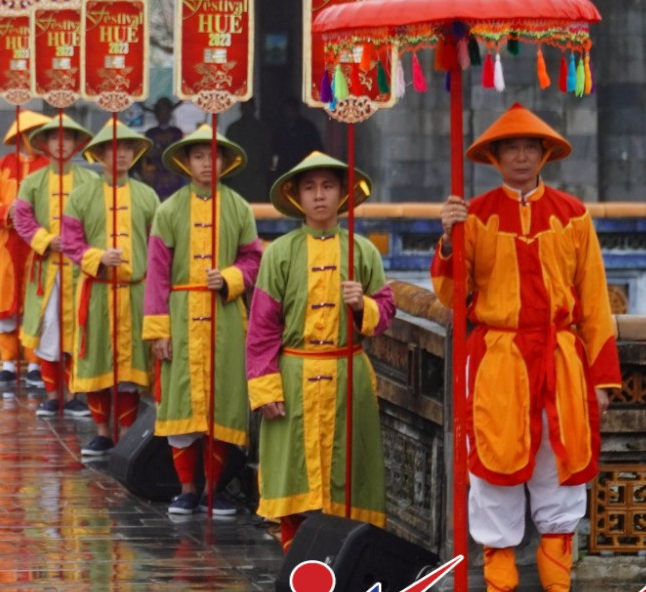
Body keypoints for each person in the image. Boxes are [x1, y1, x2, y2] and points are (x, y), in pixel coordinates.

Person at [433, 104, 618, 592]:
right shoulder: (477, 215)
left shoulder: (573, 215)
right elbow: (453, 296)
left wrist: (602, 380)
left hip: (560, 360)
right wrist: (450, 240)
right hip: (498, 360)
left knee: (558, 473)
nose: (520, 156)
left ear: (544, 155)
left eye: (529, 148)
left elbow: (595, 302)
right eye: (510, 147)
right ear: (494, 156)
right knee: (493, 474)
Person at [246, 152, 395, 547]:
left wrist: (364, 304)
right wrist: (265, 388)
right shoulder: (279, 252)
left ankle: (342, 559)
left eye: (328, 186)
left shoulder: (362, 251)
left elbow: (387, 312)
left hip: (348, 377)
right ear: (296, 196)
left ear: (343, 193)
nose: (319, 196)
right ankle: (296, 562)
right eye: (310, 188)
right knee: (294, 474)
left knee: (349, 473)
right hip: (295, 376)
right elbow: (261, 328)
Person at [144, 125, 264, 519]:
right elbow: (157, 275)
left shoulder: (239, 207)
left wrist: (230, 277)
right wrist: (159, 331)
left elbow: (253, 259)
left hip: (225, 318)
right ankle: (187, 487)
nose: (206, 164)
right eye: (198, 156)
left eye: (213, 156)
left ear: (225, 162)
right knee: (180, 402)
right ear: (186, 162)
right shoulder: (169, 210)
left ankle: (216, 488)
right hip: (180, 313)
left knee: (223, 402)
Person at [59, 121, 160, 458]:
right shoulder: (82, 195)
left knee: (131, 368)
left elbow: (159, 248)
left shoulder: (148, 196)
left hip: (135, 293)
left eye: (129, 149)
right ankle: (103, 431)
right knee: (98, 362)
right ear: (101, 153)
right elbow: (71, 242)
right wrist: (98, 256)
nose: (123, 155)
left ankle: (129, 432)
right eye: (116, 149)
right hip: (99, 290)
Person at [10, 114, 96, 417]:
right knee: (49, 328)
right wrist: (45, 240)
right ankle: (52, 394)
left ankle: (73, 395)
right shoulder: (33, 181)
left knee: (77, 330)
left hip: (81, 269)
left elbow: (98, 221)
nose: (62, 144)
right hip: (47, 269)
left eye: (68, 138)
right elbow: (21, 218)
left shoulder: (90, 180)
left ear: (76, 144)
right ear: (45, 144)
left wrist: (81, 247)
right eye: (55, 138)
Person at [0, 111, 46, 390]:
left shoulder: (50, 168)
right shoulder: (0, 167)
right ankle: (7, 364)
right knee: (3, 304)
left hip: (38, 245)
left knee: (36, 303)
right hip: (6, 244)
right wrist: (9, 211)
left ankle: (34, 364)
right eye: (30, 135)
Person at [222, 100, 275, 204]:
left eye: (249, 107)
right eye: (244, 107)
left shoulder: (262, 129)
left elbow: (268, 152)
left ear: (254, 109)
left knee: (257, 208)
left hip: (257, 177)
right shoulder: (233, 128)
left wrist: (264, 168)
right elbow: (226, 152)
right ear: (241, 109)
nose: (247, 110)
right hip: (238, 176)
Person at [135, 98, 187, 198]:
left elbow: (179, 152)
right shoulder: (151, 133)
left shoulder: (177, 132)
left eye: (166, 111)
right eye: (161, 112)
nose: (164, 115)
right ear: (156, 114)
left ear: (170, 113)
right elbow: (147, 154)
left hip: (173, 169)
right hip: (156, 170)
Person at [271, 100, 323, 176]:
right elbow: (275, 151)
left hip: (302, 169)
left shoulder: (307, 128)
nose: (287, 112)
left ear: (295, 110)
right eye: (285, 109)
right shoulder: (280, 129)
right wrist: (274, 168)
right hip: (284, 170)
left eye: (289, 109)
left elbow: (316, 149)